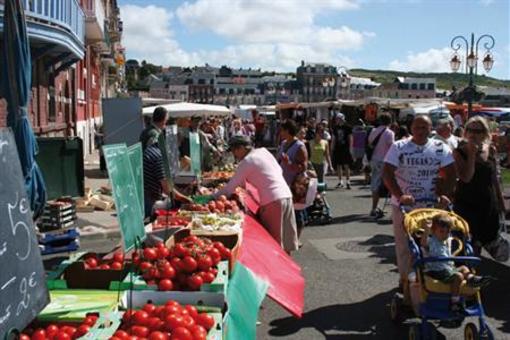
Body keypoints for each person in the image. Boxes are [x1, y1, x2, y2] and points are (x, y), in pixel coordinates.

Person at [382, 115, 456, 293]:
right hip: (405, 204)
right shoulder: (399, 147)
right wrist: (400, 196)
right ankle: (406, 281)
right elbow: (387, 173)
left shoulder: (440, 147)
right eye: (417, 127)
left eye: (425, 127)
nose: (421, 131)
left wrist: (444, 194)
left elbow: (451, 173)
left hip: (431, 205)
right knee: (405, 245)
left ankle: (435, 278)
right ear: (411, 128)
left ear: (431, 129)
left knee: (435, 242)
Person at [214, 136, 298, 253]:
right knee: (285, 240)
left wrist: (212, 197)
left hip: (272, 200)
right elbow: (279, 170)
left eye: (234, 150)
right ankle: (288, 269)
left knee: (274, 243)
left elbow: (229, 188)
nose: (234, 155)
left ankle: (273, 269)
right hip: (286, 195)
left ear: (242, 148)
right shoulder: (264, 151)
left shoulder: (247, 161)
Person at [453, 116, 509, 260]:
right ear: (465, 132)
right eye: (470, 129)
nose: (473, 133)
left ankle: (477, 273)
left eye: (478, 130)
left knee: (488, 239)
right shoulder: (459, 151)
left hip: (487, 202)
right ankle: (470, 274)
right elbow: (466, 177)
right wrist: (471, 154)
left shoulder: (490, 149)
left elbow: (494, 178)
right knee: (469, 244)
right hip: (467, 203)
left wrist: (501, 203)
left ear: (485, 133)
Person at [422, 213, 493, 312]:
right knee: (458, 276)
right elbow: (423, 244)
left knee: (464, 267)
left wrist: (467, 236)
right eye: (442, 231)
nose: (445, 235)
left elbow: (457, 241)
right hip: (436, 271)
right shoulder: (431, 240)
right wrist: (426, 230)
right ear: (433, 231)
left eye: (447, 232)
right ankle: (454, 302)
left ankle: (472, 279)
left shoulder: (446, 241)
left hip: (447, 269)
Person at [142, 142, 192, 219]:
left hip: (144, 195)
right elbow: (168, 189)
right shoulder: (159, 157)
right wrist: (186, 199)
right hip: (148, 200)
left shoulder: (151, 150)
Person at [368, 113, 394, 217]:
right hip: (385, 160)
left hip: (374, 159)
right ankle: (394, 209)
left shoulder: (374, 131)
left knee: (375, 183)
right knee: (391, 183)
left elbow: (370, 143)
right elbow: (392, 147)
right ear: (390, 121)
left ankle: (374, 207)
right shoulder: (389, 133)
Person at [331, 113, 353, 189]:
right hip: (338, 148)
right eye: (337, 119)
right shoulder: (335, 128)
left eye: (338, 119)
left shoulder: (348, 127)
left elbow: (350, 138)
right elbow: (333, 138)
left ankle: (348, 180)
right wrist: (332, 147)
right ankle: (340, 181)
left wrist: (350, 148)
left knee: (346, 164)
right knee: (338, 165)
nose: (337, 120)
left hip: (345, 147)